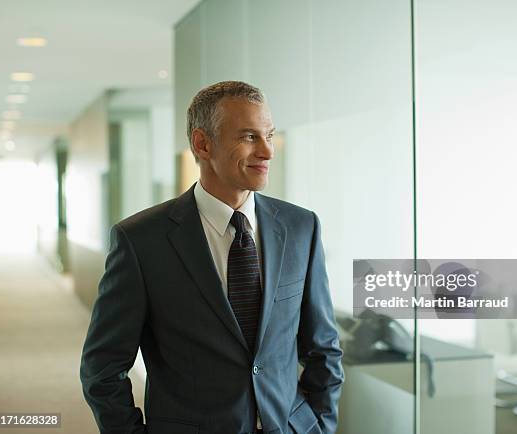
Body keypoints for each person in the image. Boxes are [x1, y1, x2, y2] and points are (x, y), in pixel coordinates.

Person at [80, 81, 344, 434]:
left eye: (269, 134)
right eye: (249, 137)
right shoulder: (141, 240)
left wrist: (319, 425)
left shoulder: (301, 227)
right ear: (203, 144)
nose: (267, 151)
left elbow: (323, 348)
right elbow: (103, 367)